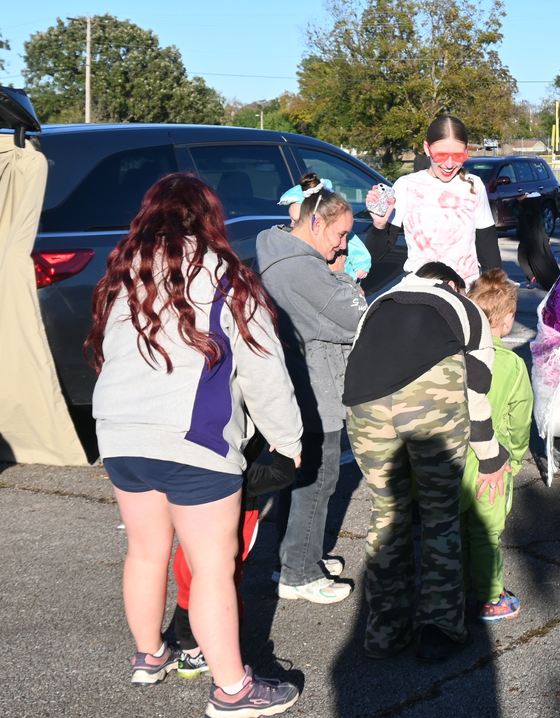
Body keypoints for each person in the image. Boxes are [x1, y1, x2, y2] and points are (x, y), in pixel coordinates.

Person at [86, 173, 302, 716]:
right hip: (194, 439)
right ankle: (233, 689)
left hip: (118, 432)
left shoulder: (123, 271)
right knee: (211, 566)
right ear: (208, 217)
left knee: (144, 551)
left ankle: (149, 656)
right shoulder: (227, 276)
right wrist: (287, 440)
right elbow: (264, 371)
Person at [343, 262, 509, 661]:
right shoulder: (462, 307)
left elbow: (356, 359)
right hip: (432, 399)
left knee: (387, 512)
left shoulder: (380, 302)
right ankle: (440, 630)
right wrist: (491, 457)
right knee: (440, 515)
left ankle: (385, 632)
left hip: (363, 405)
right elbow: (477, 392)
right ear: (452, 283)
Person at [257, 179, 367, 604]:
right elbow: (356, 316)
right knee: (317, 479)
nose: (343, 245)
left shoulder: (279, 250)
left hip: (298, 382)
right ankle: (299, 574)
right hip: (315, 387)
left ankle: (295, 557)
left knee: (301, 477)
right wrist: (343, 279)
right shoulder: (302, 268)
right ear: (316, 222)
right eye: (340, 234)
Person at [170, 431, 296, 678]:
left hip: (189, 548)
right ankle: (226, 659)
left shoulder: (191, 464)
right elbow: (283, 474)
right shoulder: (244, 471)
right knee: (224, 594)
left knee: (187, 594)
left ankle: (190, 653)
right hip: (227, 548)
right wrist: (284, 448)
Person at [462, 269, 534, 621]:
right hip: (490, 459)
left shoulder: (453, 354)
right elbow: (520, 419)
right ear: (506, 321)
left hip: (452, 456)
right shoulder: (512, 365)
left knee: (453, 524)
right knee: (487, 531)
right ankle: (492, 596)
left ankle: (458, 582)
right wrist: (516, 456)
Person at [363, 115, 501, 285]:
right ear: (427, 148)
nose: (449, 164)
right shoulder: (406, 186)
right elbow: (374, 256)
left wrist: (497, 296)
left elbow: (488, 250)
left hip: (465, 294)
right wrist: (379, 226)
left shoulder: (474, 185)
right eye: (441, 155)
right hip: (421, 293)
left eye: (458, 156)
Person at [278, 174, 373, 282]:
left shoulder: (275, 248)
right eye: (294, 221)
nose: (343, 246)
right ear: (317, 224)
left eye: (296, 221)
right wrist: (340, 277)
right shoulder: (295, 263)